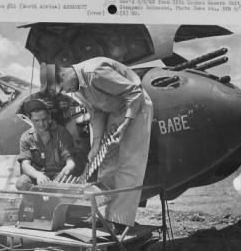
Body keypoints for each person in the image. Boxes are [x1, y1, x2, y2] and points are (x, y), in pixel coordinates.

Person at [55, 56, 153, 233]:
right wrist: (96, 144)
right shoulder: (76, 88)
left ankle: (120, 221)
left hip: (136, 109)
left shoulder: (96, 71)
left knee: (128, 165)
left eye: (62, 87)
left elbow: (134, 93)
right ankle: (103, 216)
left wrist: (126, 124)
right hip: (114, 111)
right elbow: (97, 112)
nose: (66, 91)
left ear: (63, 74)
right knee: (106, 164)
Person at [15, 98, 76, 191]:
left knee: (73, 187)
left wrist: (67, 168)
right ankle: (36, 202)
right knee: (21, 183)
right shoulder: (26, 137)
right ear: (30, 120)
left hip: (59, 176)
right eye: (36, 120)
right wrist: (38, 175)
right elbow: (25, 165)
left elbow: (70, 160)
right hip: (38, 176)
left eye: (44, 119)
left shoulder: (62, 133)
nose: (41, 124)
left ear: (49, 117)